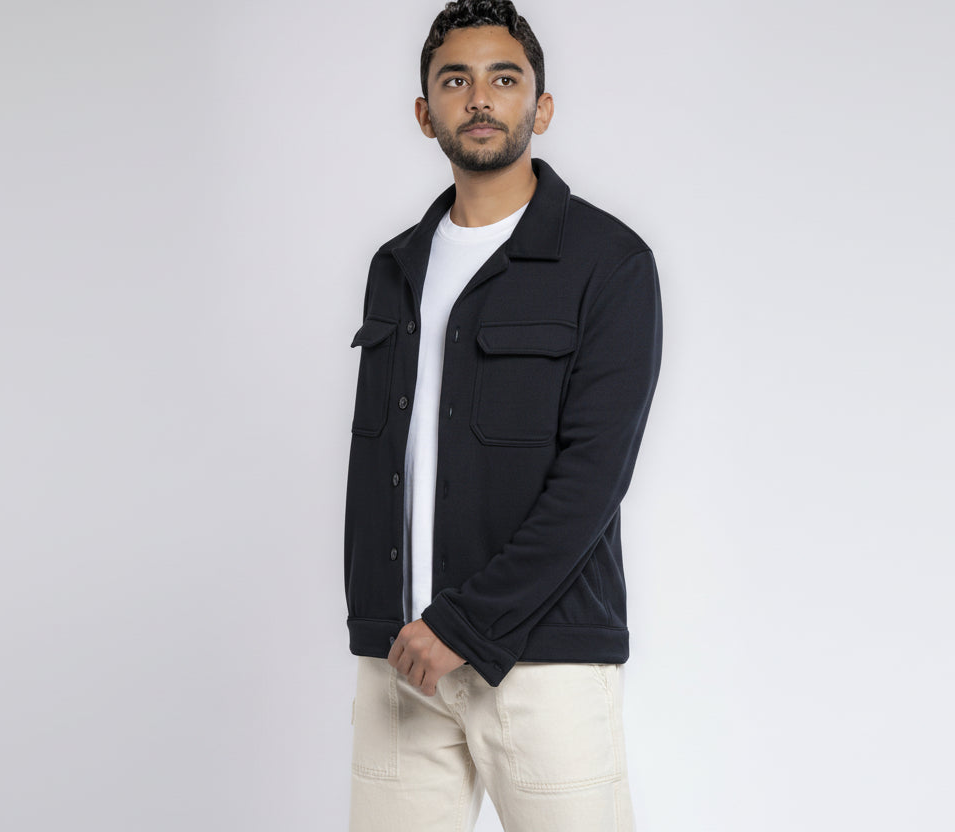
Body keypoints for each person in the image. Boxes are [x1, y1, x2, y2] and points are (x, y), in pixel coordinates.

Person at [343, 1, 661, 829]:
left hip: (544, 663)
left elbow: (593, 480)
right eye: (456, 81)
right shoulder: (395, 267)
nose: (480, 97)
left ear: (540, 108)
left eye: (504, 79)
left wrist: (466, 622)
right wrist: (389, 624)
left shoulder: (609, 263)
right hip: (403, 660)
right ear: (426, 114)